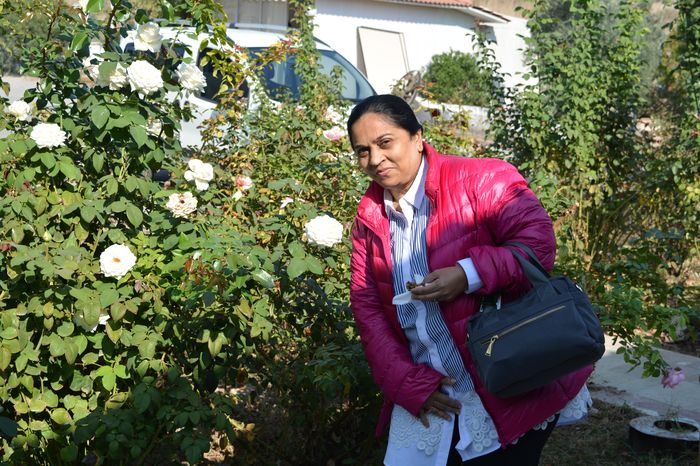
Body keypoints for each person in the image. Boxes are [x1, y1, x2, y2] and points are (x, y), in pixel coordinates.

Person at [347, 95, 592, 466]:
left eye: (385, 142)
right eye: (363, 151)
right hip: (435, 391)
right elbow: (367, 308)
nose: (375, 159)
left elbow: (538, 244)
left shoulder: (482, 179)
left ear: (417, 137)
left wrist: (467, 275)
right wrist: (407, 383)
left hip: (511, 376)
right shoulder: (370, 219)